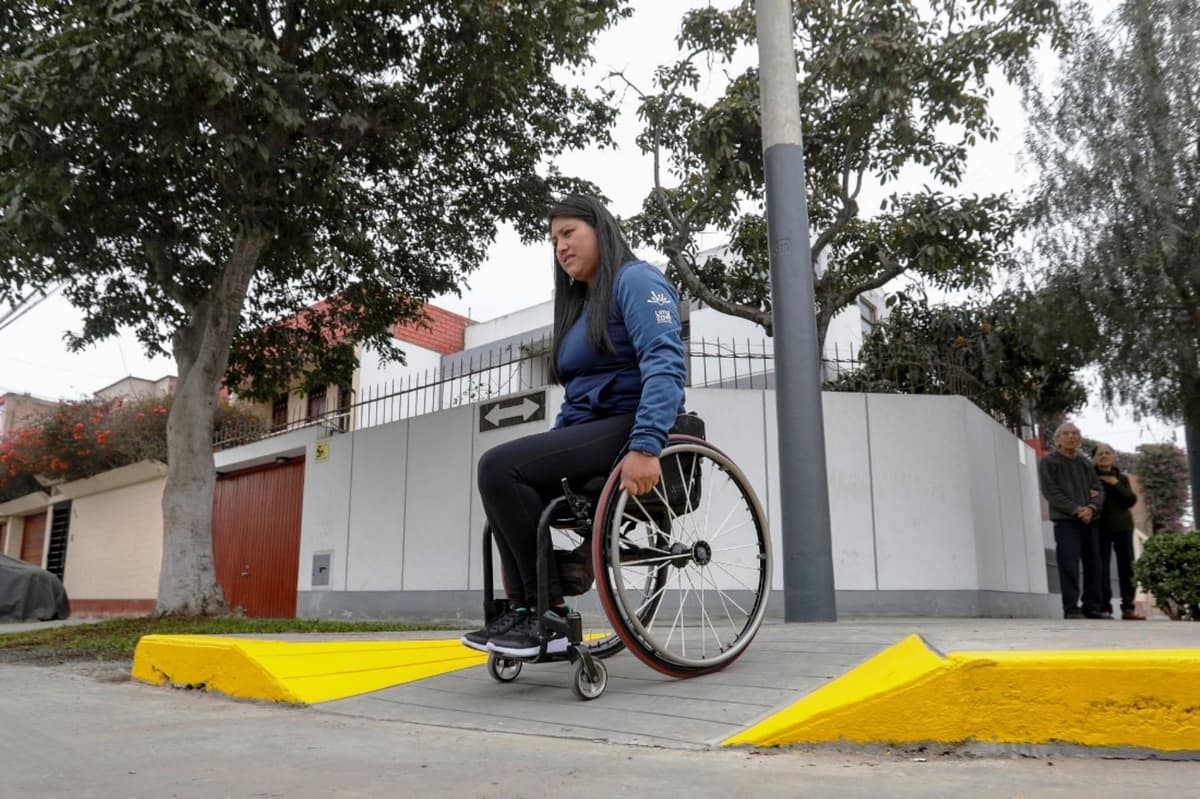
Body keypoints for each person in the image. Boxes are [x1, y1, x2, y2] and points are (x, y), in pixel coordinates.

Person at [461, 194, 687, 658]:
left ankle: (548, 616)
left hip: (628, 424)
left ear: (599, 229)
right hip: (593, 428)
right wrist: (555, 441)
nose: (561, 247)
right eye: (554, 240)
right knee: (505, 480)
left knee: (498, 466)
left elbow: (665, 364)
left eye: (569, 234)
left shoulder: (637, 280)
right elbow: (579, 393)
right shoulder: (582, 306)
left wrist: (646, 445)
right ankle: (528, 610)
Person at [1038, 422, 1106, 619]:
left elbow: (1098, 490)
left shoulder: (1085, 463)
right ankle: (1071, 607)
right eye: (1066, 434)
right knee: (1069, 564)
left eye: (1075, 433)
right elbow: (1051, 492)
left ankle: (1091, 606)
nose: (1071, 437)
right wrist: (1077, 510)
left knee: (1094, 564)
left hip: (1090, 520)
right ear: (1058, 439)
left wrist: (1092, 508)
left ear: (1080, 439)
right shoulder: (1049, 462)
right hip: (1066, 521)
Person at [1092, 444, 1145, 620]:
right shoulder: (1090, 477)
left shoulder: (1121, 478)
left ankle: (1128, 608)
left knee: (1127, 568)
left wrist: (1115, 484)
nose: (1104, 456)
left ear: (1113, 457)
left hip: (1123, 527)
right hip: (1100, 527)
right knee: (1102, 568)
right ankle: (1104, 607)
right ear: (1094, 458)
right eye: (1100, 454)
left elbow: (1130, 500)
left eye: (1107, 453)